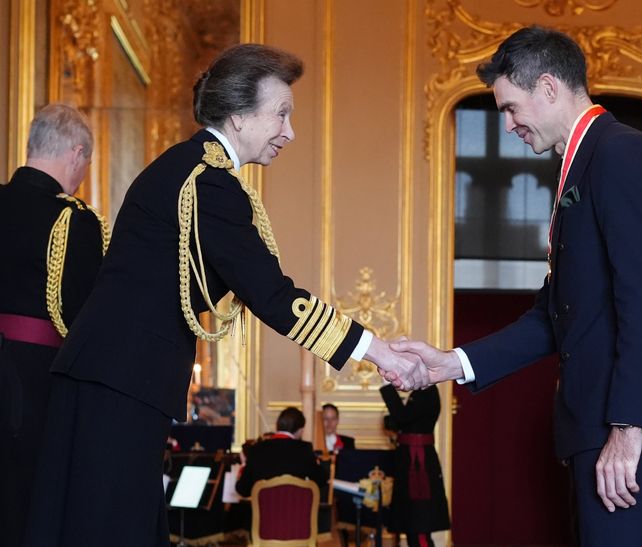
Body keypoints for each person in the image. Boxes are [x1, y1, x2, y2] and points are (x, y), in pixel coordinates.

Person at [24, 44, 426, 547]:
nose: (290, 132)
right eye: (281, 113)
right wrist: (379, 351)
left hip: (116, 379)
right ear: (238, 114)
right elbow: (274, 296)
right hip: (119, 384)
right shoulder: (207, 183)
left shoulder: (193, 169)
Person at [390, 26, 642, 546]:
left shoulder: (619, 155)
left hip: (626, 427)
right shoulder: (582, 162)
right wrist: (450, 363)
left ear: (548, 87)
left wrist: (628, 433)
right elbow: (555, 314)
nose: (510, 125)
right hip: (599, 425)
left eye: (512, 108)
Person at [0, 104, 106, 547]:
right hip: (33, 388)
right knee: (28, 511)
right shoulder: (75, 221)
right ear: (76, 154)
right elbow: (88, 319)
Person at [380, 385, 450, 547]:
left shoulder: (427, 392)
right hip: (412, 460)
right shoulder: (421, 392)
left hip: (419, 465)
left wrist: (387, 386)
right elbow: (406, 422)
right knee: (412, 523)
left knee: (419, 524)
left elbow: (403, 417)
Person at [236, 407, 326, 497]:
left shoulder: (257, 449)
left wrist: (244, 465)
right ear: (300, 430)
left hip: (266, 510)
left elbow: (243, 490)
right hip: (296, 509)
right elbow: (321, 480)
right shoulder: (304, 449)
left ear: (277, 425)